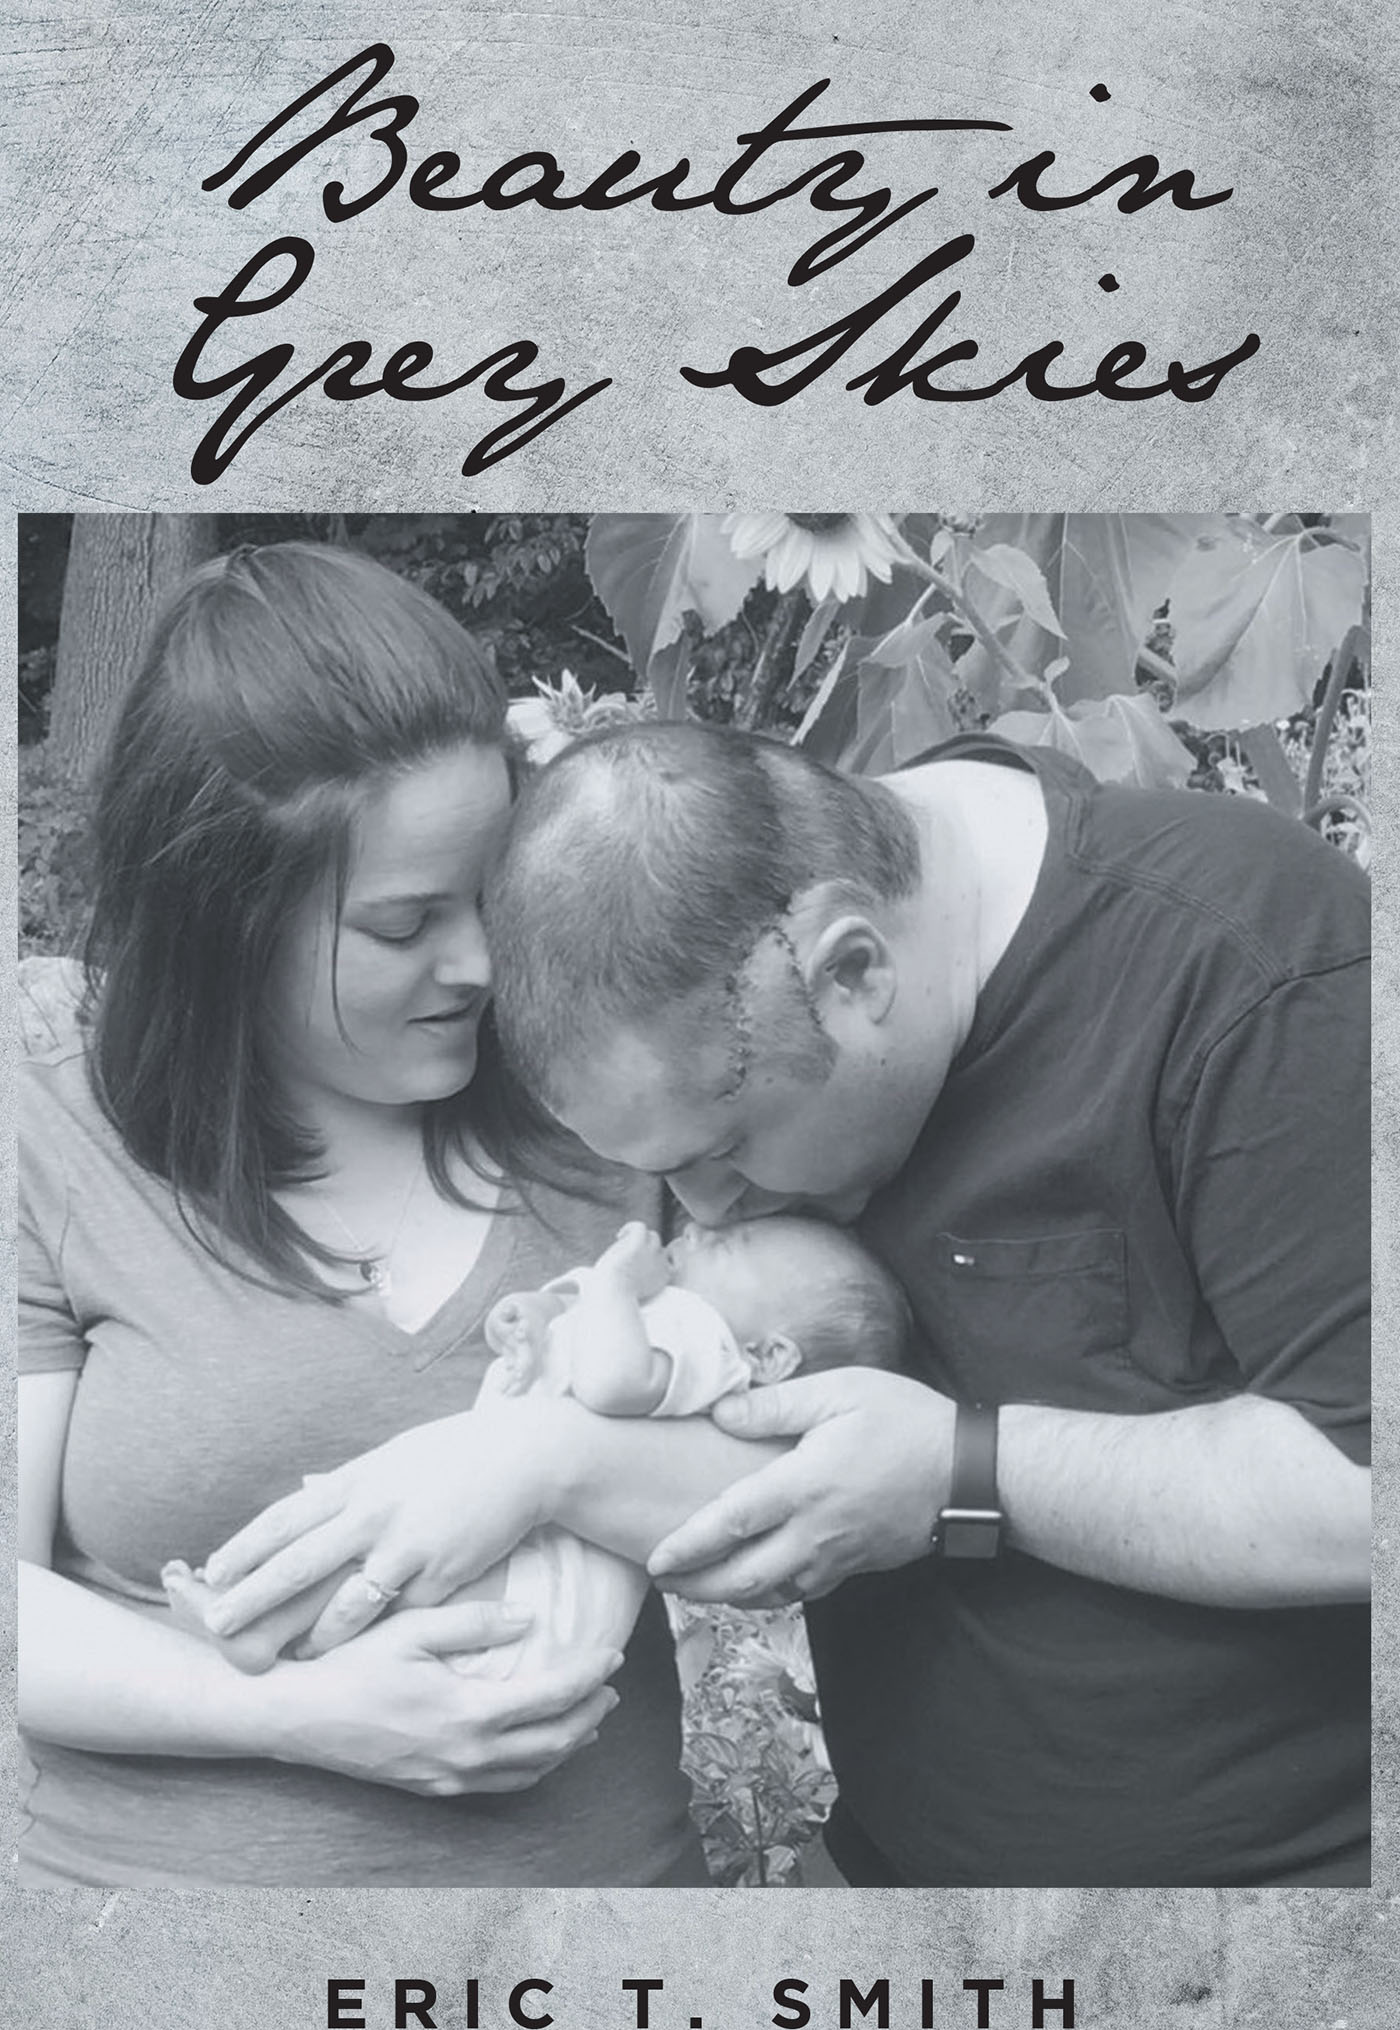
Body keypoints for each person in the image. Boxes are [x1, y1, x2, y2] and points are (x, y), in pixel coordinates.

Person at [197, 718, 1370, 1889]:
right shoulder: (729, 982)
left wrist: (963, 1475)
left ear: (851, 972)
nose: (700, 1211)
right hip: (891, 1872)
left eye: (722, 1149)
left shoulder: (1249, 966)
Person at [17, 544, 725, 1888]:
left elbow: (803, 1479)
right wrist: (296, 1715)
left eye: (492, 894)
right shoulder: (49, 1142)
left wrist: (543, 1463)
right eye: (406, 925)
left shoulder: (603, 1110)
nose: (480, 962)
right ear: (225, 921)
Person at [164, 1213, 910, 1678]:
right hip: (498, 1510)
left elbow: (614, 1383)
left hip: (546, 1573)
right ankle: (261, 1626)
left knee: (384, 1566)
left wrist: (615, 1281)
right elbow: (570, 1316)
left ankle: (260, 1630)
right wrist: (531, 1316)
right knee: (356, 1537)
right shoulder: (661, 1308)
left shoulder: (711, 1349)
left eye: (734, 1243)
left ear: (771, 1355)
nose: (698, 1229)